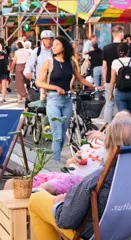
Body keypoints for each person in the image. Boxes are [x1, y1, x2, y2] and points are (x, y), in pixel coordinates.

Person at [28, 114, 131, 240]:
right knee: (102, 211)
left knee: (36, 199)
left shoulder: (99, 178)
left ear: (108, 144)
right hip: (126, 226)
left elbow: (67, 220)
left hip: (93, 232)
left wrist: (61, 203)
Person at [37, 36, 95, 165]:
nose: (54, 46)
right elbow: (39, 82)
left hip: (67, 101)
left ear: (64, 47)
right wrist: (55, 87)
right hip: (53, 101)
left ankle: (55, 160)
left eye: (57, 44)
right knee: (57, 135)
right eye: (53, 45)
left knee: (62, 134)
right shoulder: (49, 62)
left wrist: (94, 86)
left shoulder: (71, 62)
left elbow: (80, 79)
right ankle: (55, 164)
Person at [101, 25, 126, 122]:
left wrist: (105, 80)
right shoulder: (125, 48)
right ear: (121, 34)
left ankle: (107, 127)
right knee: (122, 105)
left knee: (109, 104)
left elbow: (104, 66)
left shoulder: (106, 48)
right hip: (123, 80)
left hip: (109, 79)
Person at [109, 42, 131, 115]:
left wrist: (111, 93)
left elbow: (113, 80)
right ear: (128, 51)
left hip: (120, 92)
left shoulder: (115, 62)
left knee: (123, 115)